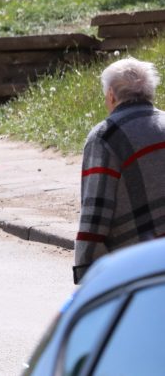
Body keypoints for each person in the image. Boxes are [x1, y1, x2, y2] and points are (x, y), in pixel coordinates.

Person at [73, 57, 165, 284]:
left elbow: (95, 210)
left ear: (112, 95)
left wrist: (87, 268)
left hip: (137, 267)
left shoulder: (105, 137)